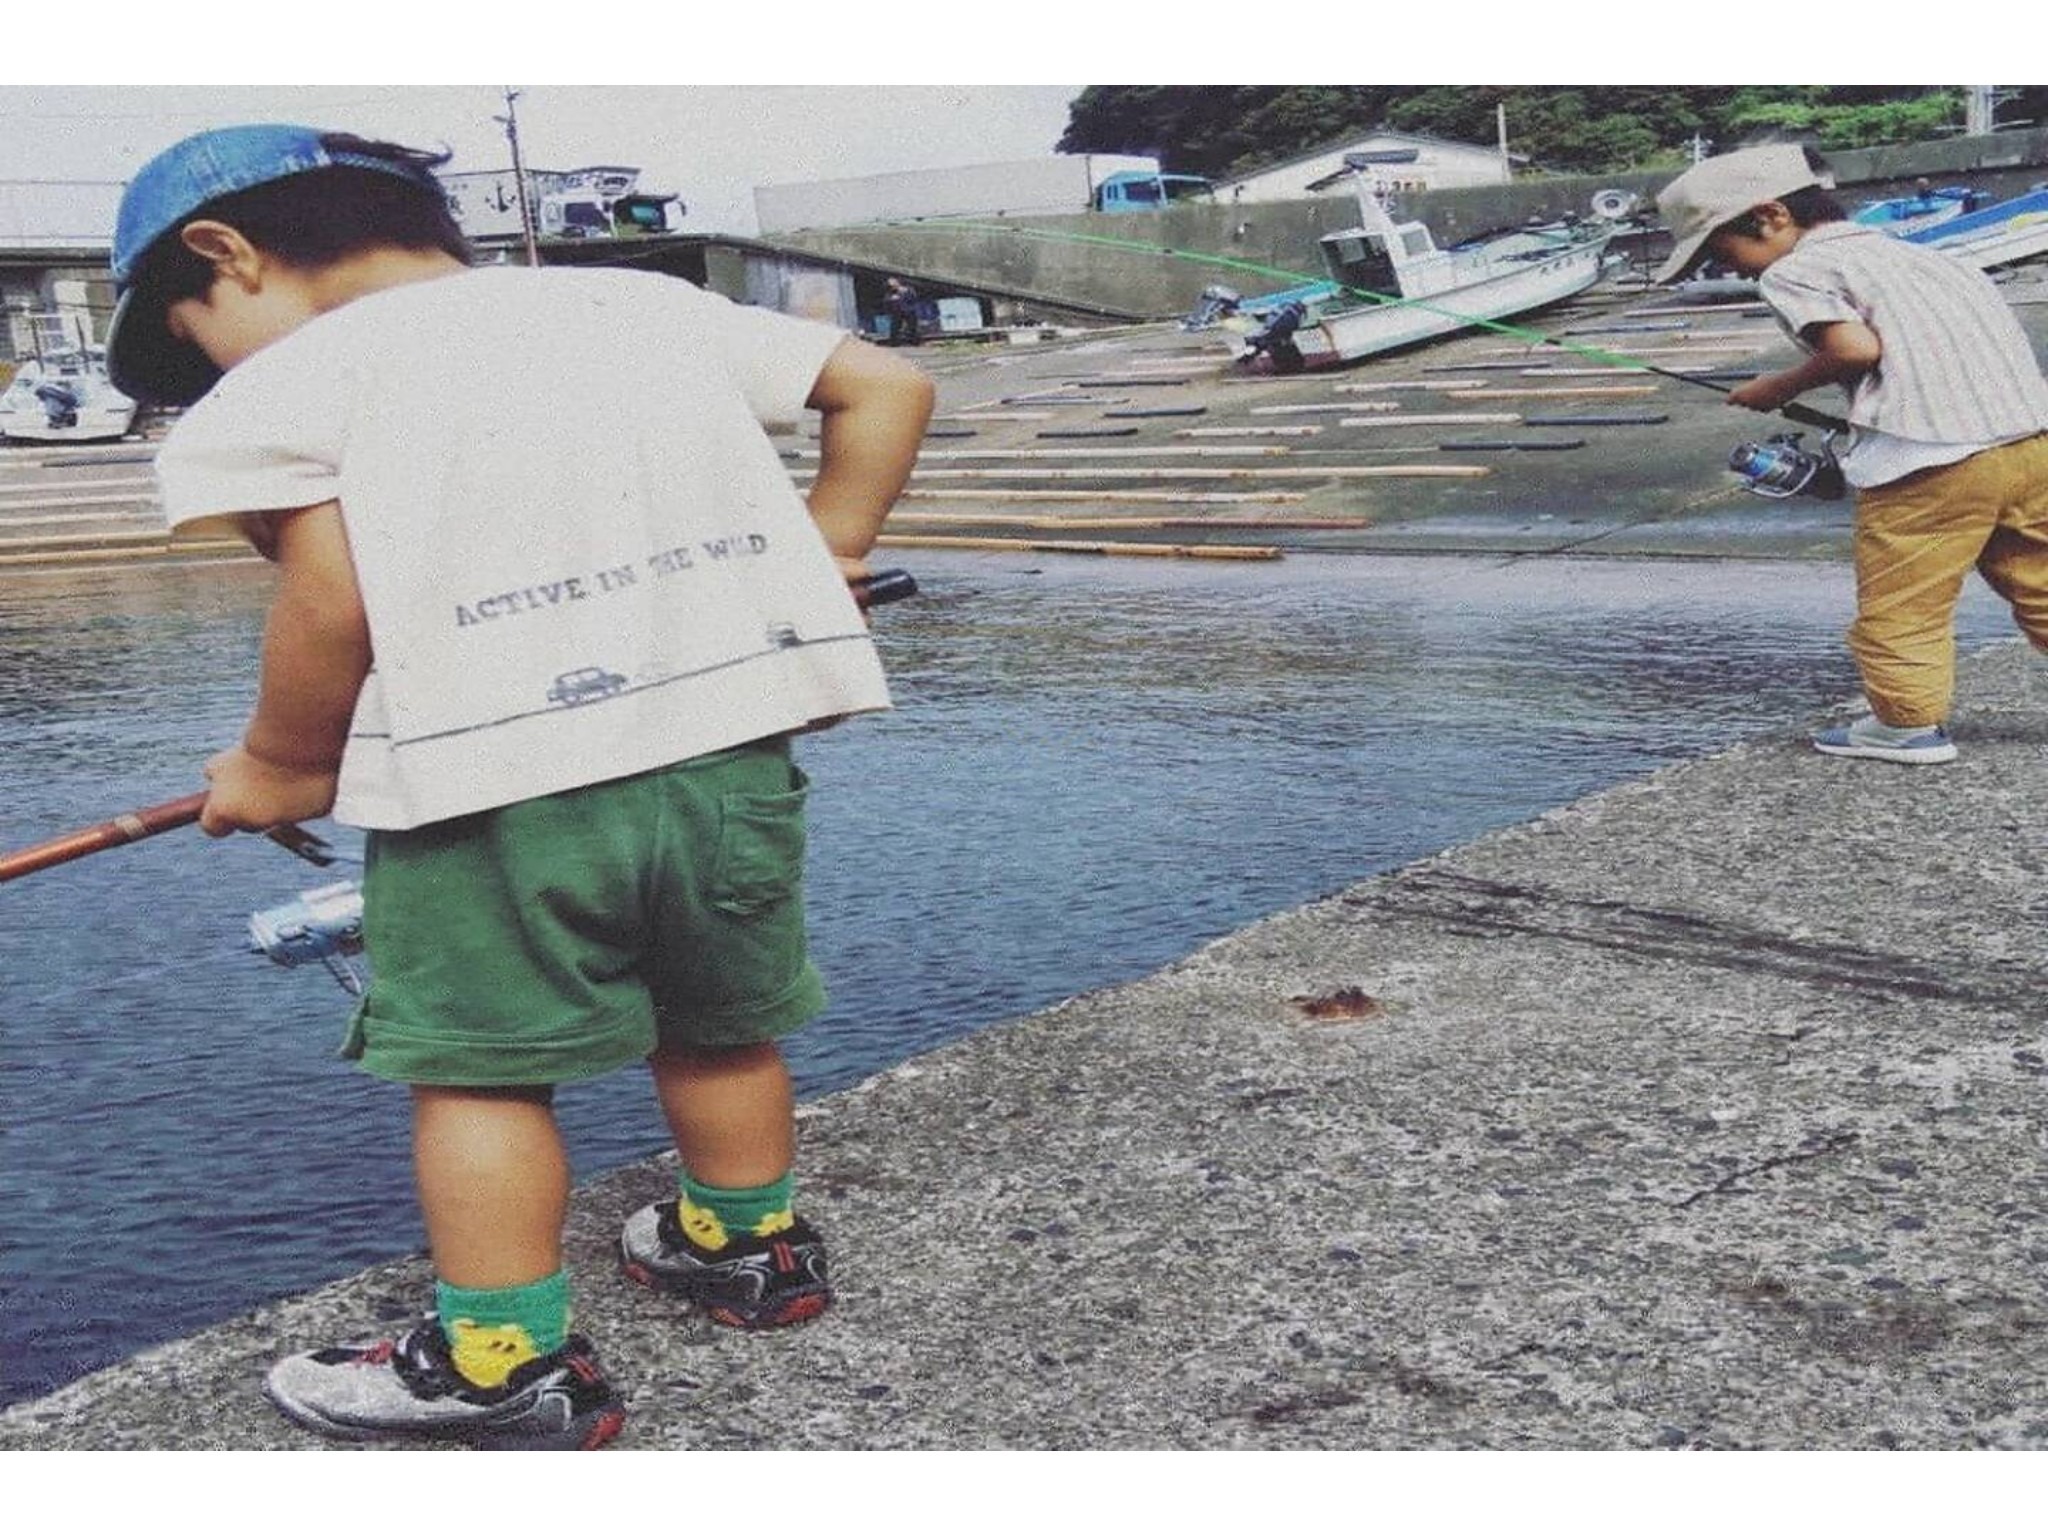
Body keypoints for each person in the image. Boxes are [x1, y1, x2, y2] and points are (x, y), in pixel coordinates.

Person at [105, 124, 933, 1449]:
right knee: (718, 1024)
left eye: (191, 333)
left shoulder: (286, 386)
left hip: (494, 791)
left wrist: (280, 766)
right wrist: (823, 553)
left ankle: (502, 1364)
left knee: (479, 1078)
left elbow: (332, 599)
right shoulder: (634, 305)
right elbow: (885, 386)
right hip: (729, 760)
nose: (210, 368)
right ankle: (744, 1250)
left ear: (228, 253)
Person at [1656, 144, 2048, 764]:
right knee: (2039, 579)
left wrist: (1776, 388)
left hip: (1927, 460)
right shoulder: (1933, 259)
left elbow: (1855, 349)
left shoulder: (1793, 272)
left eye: (1722, 253)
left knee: (1905, 603)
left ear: (1771, 217)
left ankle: (1906, 728)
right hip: (2028, 442)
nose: (1731, 270)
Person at [882, 275, 921, 345]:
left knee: (912, 326)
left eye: (893, 283)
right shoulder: (890, 292)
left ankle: (914, 341)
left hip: (908, 310)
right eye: (890, 283)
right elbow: (886, 300)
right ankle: (894, 342)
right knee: (895, 327)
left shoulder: (908, 289)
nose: (892, 285)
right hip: (897, 311)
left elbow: (914, 298)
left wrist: (905, 294)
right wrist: (891, 299)